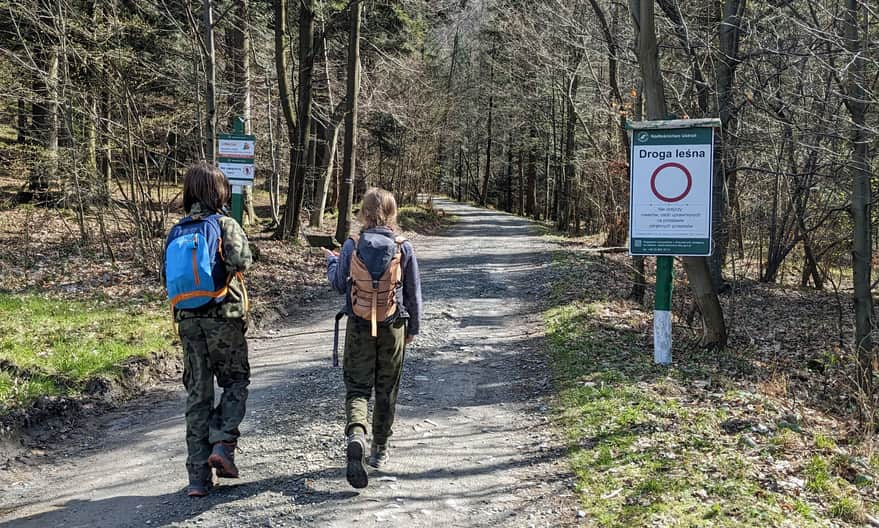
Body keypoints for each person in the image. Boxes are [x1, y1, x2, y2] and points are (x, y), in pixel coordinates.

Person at [163, 162, 253, 497]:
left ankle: (197, 478)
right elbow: (243, 262)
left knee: (197, 395)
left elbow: (167, 278)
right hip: (224, 317)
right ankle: (222, 442)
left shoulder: (177, 231)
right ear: (219, 193)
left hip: (187, 321)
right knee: (234, 381)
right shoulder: (224, 223)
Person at [324, 188, 422, 489]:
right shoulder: (403, 247)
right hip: (392, 326)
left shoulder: (352, 244)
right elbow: (413, 295)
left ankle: (356, 433)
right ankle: (379, 449)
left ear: (363, 213)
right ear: (393, 214)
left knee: (357, 388)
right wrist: (413, 330)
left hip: (358, 327)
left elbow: (339, 284)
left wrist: (331, 262)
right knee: (386, 388)